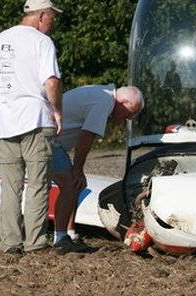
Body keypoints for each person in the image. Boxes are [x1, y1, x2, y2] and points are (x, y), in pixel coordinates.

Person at [0, 0, 63, 256]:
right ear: (42, 15)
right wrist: (57, 111)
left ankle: (10, 243)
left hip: (4, 122)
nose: (52, 23)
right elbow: (51, 82)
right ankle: (35, 243)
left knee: (10, 186)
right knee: (38, 184)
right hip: (35, 120)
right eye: (52, 17)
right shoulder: (42, 42)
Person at [51, 84, 144, 255]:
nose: (130, 117)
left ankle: (70, 234)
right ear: (123, 101)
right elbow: (86, 136)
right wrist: (78, 169)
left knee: (75, 185)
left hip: (51, 140)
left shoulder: (100, 94)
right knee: (72, 183)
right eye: (132, 111)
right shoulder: (104, 102)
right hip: (49, 141)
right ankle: (61, 238)